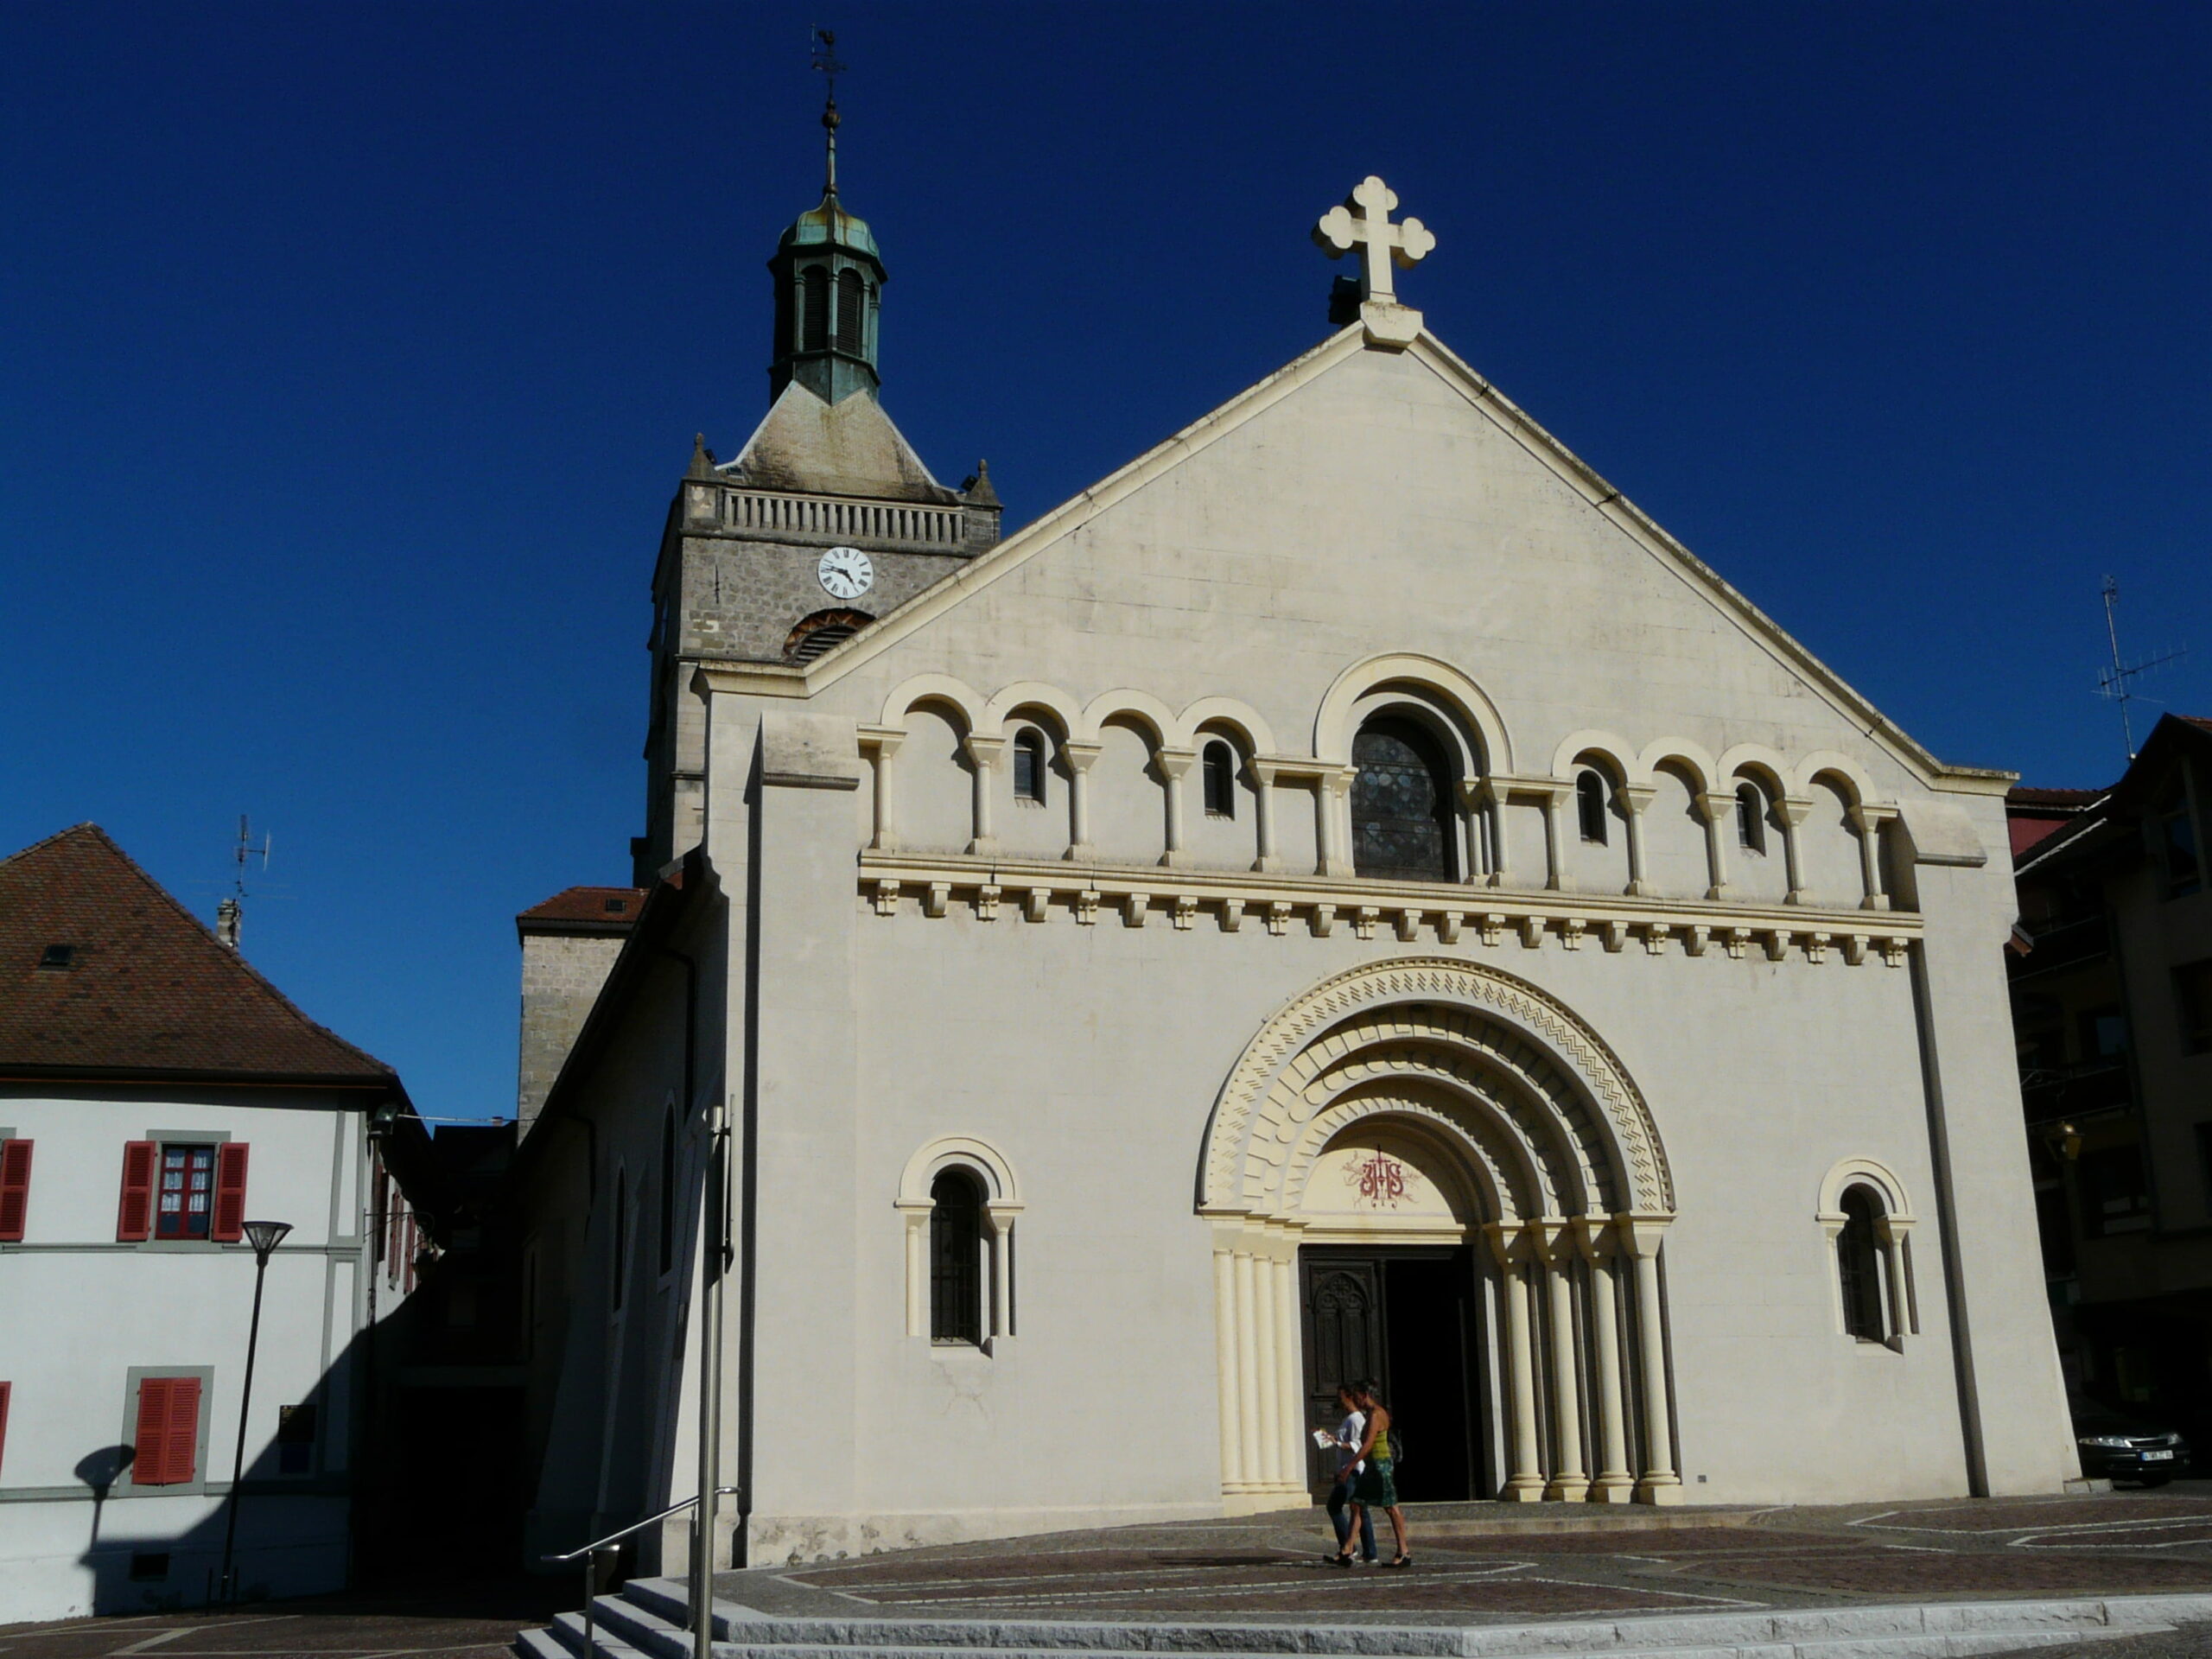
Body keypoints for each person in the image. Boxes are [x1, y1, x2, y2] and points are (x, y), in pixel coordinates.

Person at [1336, 1380, 1410, 1568]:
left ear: (1364, 1395)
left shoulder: (1376, 1414)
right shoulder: (1371, 1414)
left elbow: (1367, 1445)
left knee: (1391, 1508)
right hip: (1371, 1467)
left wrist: (1349, 1466)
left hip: (1380, 1465)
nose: (1356, 1401)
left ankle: (1403, 1551)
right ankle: (1347, 1549)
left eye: (1357, 1396)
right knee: (1357, 1504)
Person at [1319, 1383, 1377, 1566]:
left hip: (1352, 1470)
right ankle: (1369, 1551)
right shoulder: (1349, 1419)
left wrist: (1336, 1443)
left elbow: (1358, 1445)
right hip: (1349, 1469)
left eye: (1341, 1397)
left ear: (1350, 1397)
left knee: (1336, 1506)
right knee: (1360, 1510)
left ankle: (1349, 1547)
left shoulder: (1356, 1419)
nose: (1339, 1400)